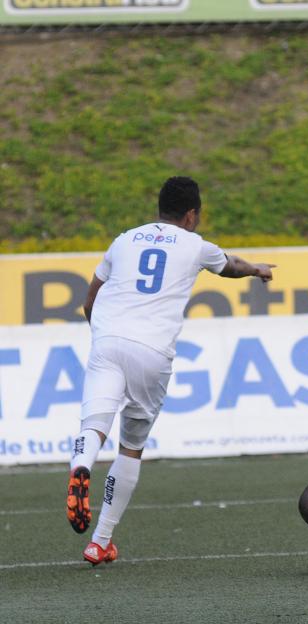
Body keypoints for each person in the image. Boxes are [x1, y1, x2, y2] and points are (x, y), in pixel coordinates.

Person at [66, 176, 276, 565]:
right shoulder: (196, 245)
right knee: (131, 446)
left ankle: (80, 465)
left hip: (106, 341)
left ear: (159, 208)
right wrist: (257, 269)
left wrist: (104, 337)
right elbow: (230, 265)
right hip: (151, 352)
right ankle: (100, 541)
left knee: (94, 423)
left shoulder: (124, 240)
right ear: (191, 215)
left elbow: (90, 299)